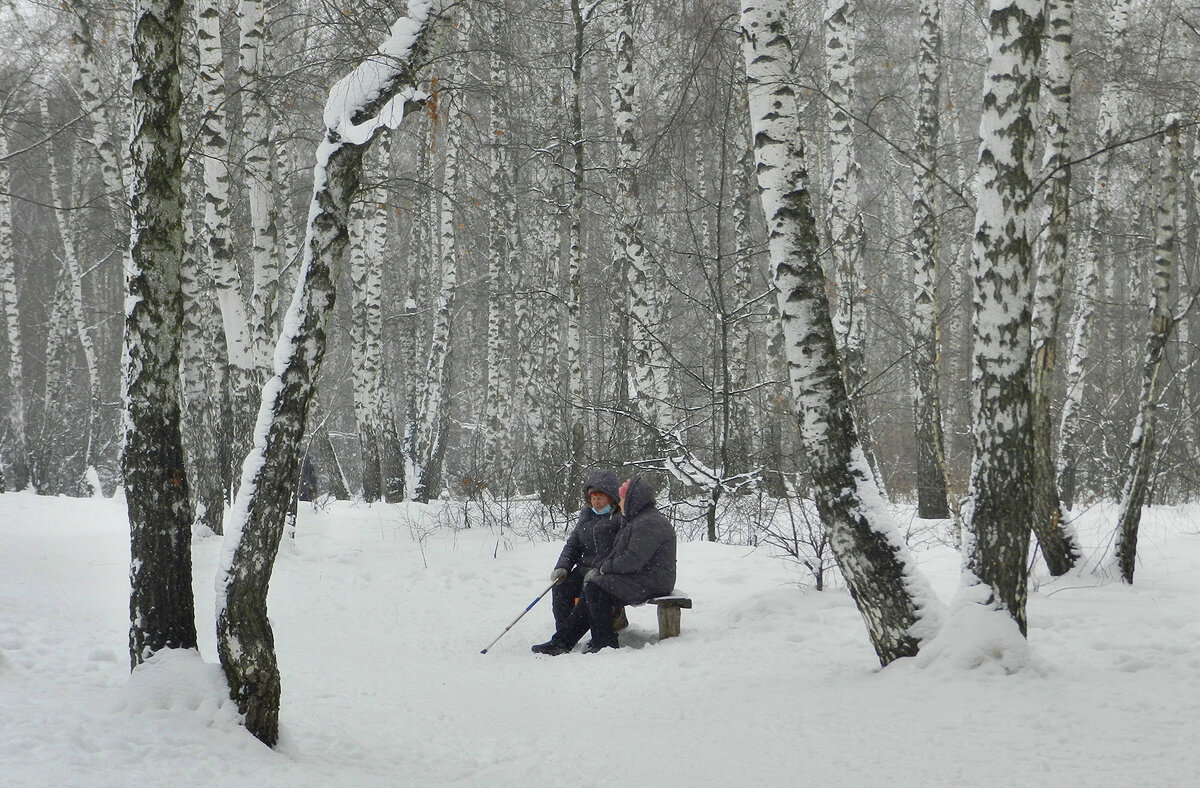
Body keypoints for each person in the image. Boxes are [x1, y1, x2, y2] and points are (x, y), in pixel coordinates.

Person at [544, 475, 677, 655]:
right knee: (593, 586)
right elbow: (620, 554)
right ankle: (562, 641)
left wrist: (602, 569)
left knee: (597, 588)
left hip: (654, 580)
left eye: (622, 498)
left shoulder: (648, 523)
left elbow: (631, 559)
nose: (620, 502)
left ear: (632, 500)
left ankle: (604, 642)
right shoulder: (638, 519)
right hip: (643, 576)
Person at [530, 470, 623, 656]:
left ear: (611, 498)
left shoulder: (620, 519)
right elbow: (573, 545)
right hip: (583, 569)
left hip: (605, 573)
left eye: (601, 498)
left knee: (591, 592)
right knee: (561, 587)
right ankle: (564, 633)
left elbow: (621, 552)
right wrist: (562, 567)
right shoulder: (586, 516)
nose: (596, 502)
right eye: (592, 498)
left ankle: (566, 640)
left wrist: (601, 569)